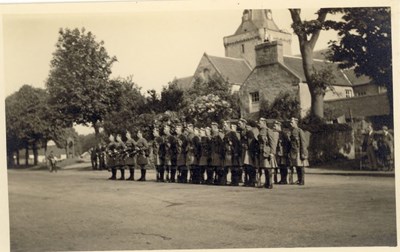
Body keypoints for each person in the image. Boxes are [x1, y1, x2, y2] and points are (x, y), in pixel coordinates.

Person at [289, 117, 309, 185]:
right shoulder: (292, 131)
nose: (290, 123)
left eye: (292, 122)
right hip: (293, 151)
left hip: (298, 151)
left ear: (296, 123)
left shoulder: (299, 131)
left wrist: (303, 152)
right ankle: (299, 179)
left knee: (300, 166)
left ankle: (302, 180)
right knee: (297, 166)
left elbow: (303, 142)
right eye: (290, 122)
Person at [258, 118, 278, 189]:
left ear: (264, 122)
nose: (258, 123)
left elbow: (272, 142)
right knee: (265, 168)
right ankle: (267, 183)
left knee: (268, 168)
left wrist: (272, 152)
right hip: (262, 151)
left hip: (267, 152)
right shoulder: (261, 131)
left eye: (259, 122)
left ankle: (270, 183)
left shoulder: (268, 130)